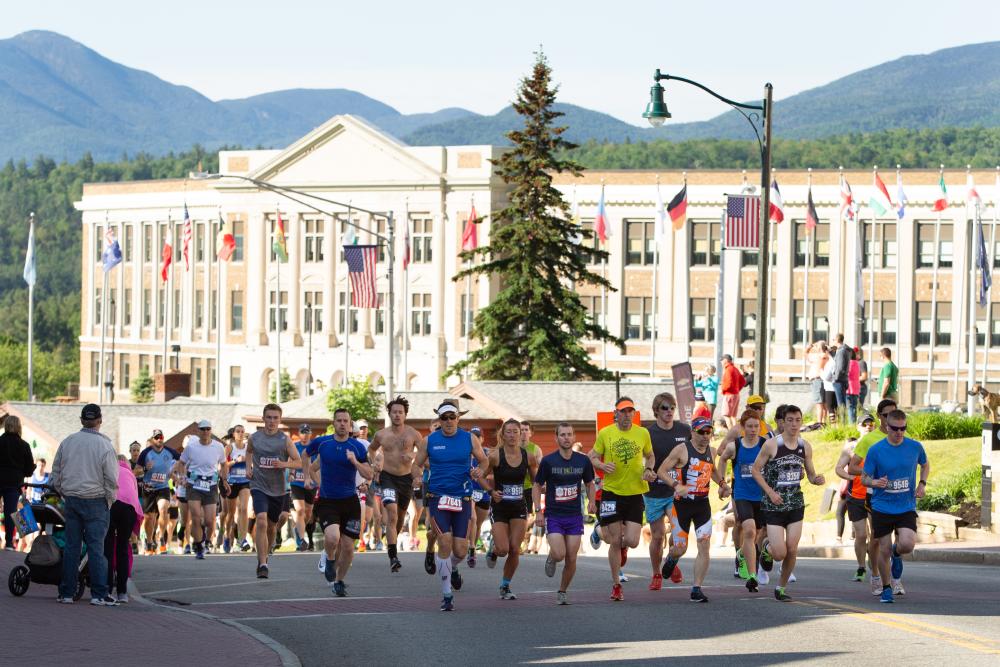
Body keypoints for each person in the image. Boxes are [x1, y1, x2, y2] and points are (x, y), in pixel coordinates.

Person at [413, 400, 488, 611]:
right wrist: (417, 477)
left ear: (458, 418)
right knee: (444, 541)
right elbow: (416, 466)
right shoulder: (429, 441)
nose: (447, 421)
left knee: (461, 550)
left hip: (462, 497)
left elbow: (483, 460)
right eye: (443, 418)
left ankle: (452, 567)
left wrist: (480, 470)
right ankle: (446, 595)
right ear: (439, 419)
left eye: (451, 417)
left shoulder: (469, 438)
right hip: (437, 497)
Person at [751, 405, 825, 601]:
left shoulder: (805, 446)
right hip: (774, 504)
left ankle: (781, 588)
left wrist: (817, 479)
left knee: (792, 548)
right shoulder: (772, 445)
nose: (794, 424)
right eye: (790, 420)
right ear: (783, 422)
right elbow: (756, 470)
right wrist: (770, 492)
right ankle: (766, 548)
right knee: (779, 553)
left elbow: (810, 474)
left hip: (795, 503)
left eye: (798, 420)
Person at [588, 397, 656, 602]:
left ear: (634, 413)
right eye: (623, 411)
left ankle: (599, 530)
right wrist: (601, 466)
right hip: (612, 492)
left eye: (630, 411)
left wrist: (649, 469)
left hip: (635, 493)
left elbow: (650, 456)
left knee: (633, 541)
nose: (627, 415)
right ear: (615, 414)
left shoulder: (642, 433)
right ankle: (616, 584)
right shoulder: (606, 433)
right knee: (616, 541)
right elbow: (591, 456)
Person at [50, 404, 119, 606]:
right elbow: (112, 478)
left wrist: (63, 491)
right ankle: (98, 594)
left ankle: (67, 592)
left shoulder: (68, 442)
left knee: (72, 546)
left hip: (72, 499)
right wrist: (109, 499)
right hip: (96, 499)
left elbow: (56, 471)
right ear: (99, 421)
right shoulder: (105, 446)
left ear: (81, 420)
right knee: (96, 549)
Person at [657, 416, 730, 602]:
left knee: (704, 545)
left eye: (709, 432)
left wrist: (722, 484)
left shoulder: (712, 451)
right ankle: (672, 559)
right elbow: (661, 471)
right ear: (692, 433)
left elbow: (712, 470)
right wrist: (675, 485)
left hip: (702, 505)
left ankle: (696, 588)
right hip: (681, 505)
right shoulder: (682, 450)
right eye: (701, 432)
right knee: (680, 548)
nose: (706, 436)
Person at [862, 409, 929, 603]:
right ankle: (886, 588)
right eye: (895, 429)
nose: (899, 432)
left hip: (905, 505)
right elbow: (865, 478)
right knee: (883, 549)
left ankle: (897, 553)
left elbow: (925, 464)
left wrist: (922, 484)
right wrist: (875, 483)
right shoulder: (876, 450)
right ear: (887, 427)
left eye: (903, 428)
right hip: (882, 506)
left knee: (907, 544)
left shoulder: (915, 447)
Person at [307, 408, 373, 597]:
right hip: (328, 500)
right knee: (333, 538)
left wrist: (355, 463)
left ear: (350, 425)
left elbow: (369, 474)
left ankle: (339, 580)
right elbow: (308, 461)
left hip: (350, 501)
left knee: (348, 547)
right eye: (339, 421)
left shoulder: (358, 447)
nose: (342, 424)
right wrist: (314, 481)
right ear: (334, 423)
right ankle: (329, 558)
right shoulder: (323, 443)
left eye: (346, 421)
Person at [533, 422, 595, 605]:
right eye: (563, 435)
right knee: (560, 553)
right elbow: (537, 486)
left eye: (569, 434)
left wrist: (591, 501)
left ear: (574, 437)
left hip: (574, 515)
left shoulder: (582, 461)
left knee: (571, 556)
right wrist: (538, 511)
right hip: (554, 515)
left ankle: (562, 590)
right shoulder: (549, 461)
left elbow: (590, 483)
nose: (566, 438)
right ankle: (552, 558)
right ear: (556, 438)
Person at [479, 419, 538, 600]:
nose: (512, 435)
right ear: (503, 435)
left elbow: (537, 481)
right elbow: (480, 476)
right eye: (509, 432)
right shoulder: (496, 455)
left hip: (519, 506)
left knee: (514, 549)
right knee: (503, 549)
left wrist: (543, 490)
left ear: (521, 434)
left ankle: (505, 585)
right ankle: (494, 550)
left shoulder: (529, 456)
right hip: (500, 507)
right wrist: (491, 491)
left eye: (516, 431)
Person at [367, 396, 421, 572]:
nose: (397, 415)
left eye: (400, 412)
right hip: (387, 477)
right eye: (394, 412)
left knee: (399, 518)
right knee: (391, 514)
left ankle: (391, 541)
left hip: (405, 479)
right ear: (389, 414)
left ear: (405, 415)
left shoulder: (413, 434)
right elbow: (372, 449)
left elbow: (424, 453)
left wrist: (413, 456)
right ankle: (393, 557)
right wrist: (375, 461)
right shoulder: (381, 434)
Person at [247, 403, 302, 578]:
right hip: (258, 485)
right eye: (269, 417)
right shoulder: (254, 438)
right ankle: (262, 563)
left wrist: (284, 464)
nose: (272, 421)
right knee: (261, 520)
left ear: (279, 420)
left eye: (275, 418)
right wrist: (249, 467)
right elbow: (249, 452)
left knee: (272, 526)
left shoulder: (284, 440)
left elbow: (299, 462)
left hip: (278, 489)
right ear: (263, 419)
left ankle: (266, 551)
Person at [716, 410, 768, 592]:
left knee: (759, 533)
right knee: (749, 530)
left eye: (756, 426)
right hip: (742, 494)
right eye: (749, 426)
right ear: (743, 427)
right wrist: (722, 483)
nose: (753, 430)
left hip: (761, 496)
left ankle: (745, 553)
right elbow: (721, 459)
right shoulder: (735, 446)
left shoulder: (765, 445)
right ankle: (752, 574)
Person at [643, 392, 690, 590]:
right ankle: (656, 573)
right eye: (665, 408)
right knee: (658, 535)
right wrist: (645, 471)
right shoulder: (647, 433)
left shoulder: (685, 430)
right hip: (653, 492)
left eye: (672, 407)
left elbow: (695, 451)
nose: (669, 411)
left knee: (679, 534)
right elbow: (641, 460)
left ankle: (672, 560)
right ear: (656, 411)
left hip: (675, 492)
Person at [849, 400, 896, 595]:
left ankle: (895, 576)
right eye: (886, 415)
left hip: (897, 495)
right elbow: (852, 467)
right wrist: (872, 474)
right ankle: (876, 575)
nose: (890, 419)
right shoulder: (869, 440)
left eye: (893, 414)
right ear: (879, 417)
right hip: (873, 495)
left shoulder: (903, 435)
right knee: (876, 537)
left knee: (900, 538)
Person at [171, 420, 228, 560]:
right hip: (194, 484)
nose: (205, 431)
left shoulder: (218, 446)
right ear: (198, 431)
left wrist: (225, 480)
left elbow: (224, 464)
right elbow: (181, 463)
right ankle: (198, 546)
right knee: (195, 517)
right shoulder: (191, 447)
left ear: (211, 430)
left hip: (211, 485)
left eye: (208, 429)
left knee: (209, 521)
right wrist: (182, 477)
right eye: (202, 429)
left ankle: (207, 542)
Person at [835, 414, 877, 582]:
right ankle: (861, 567)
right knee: (860, 535)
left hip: (875, 495)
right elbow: (838, 468)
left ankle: (874, 563)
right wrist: (849, 477)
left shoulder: (879, 445)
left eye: (871, 423)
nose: (868, 426)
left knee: (876, 534)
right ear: (858, 427)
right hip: (856, 496)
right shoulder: (851, 446)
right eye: (864, 424)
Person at [106, 455, 143, 603]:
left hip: (113, 504)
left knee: (107, 549)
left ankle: (107, 589)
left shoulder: (111, 469)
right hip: (129, 509)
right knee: (122, 549)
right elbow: (134, 495)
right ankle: (122, 593)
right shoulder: (130, 474)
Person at [137, 433, 180, 554]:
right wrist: (145, 468)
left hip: (163, 487)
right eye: (156, 437)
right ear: (152, 440)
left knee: (163, 509)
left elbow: (182, 459)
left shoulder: (168, 451)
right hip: (149, 489)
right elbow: (136, 471)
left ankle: (161, 538)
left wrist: (174, 471)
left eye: (161, 437)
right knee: (149, 517)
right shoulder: (145, 453)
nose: (159, 439)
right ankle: (149, 541)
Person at [0, 415, 36, 550]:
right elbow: (28, 471)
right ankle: (9, 543)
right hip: (14, 484)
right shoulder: (24, 445)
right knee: (11, 512)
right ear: (19, 427)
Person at [222, 425, 252, 552]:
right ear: (233, 434)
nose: (240, 434)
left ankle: (242, 539)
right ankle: (227, 536)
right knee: (231, 513)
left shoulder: (249, 448)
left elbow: (253, 463)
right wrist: (235, 461)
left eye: (242, 432)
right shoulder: (229, 447)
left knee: (244, 509)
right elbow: (222, 464)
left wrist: (248, 462)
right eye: (238, 432)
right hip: (232, 482)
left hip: (245, 481)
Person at [290, 424, 318, 552]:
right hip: (297, 483)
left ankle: (298, 529)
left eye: (307, 432)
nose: (305, 435)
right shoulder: (295, 446)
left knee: (308, 514)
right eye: (302, 432)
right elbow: (291, 460)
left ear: (310, 434)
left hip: (311, 484)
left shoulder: (315, 446)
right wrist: (291, 472)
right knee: (300, 510)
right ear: (299, 433)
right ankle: (301, 540)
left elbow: (319, 464)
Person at [719, 355, 746, 428]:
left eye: (721, 360)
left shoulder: (728, 369)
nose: (721, 362)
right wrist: (737, 389)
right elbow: (743, 381)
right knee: (733, 416)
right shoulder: (735, 369)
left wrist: (722, 390)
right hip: (736, 394)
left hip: (729, 394)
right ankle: (737, 434)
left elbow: (728, 383)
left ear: (725, 360)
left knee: (726, 415)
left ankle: (731, 433)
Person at [805, 342, 829, 424]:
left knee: (819, 403)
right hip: (824, 380)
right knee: (824, 404)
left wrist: (809, 348)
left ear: (819, 348)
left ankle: (819, 423)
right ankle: (824, 422)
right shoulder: (827, 356)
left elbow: (806, 356)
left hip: (817, 380)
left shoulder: (818, 356)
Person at [833, 333, 851, 422]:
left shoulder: (841, 351)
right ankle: (843, 421)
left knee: (841, 403)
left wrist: (835, 378)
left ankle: (843, 422)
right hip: (843, 379)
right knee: (842, 402)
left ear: (837, 340)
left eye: (833, 340)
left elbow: (839, 367)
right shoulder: (846, 350)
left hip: (839, 380)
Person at [821, 347, 838, 426]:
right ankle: (837, 424)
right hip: (836, 387)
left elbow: (827, 377)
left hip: (830, 387)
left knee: (830, 407)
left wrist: (821, 371)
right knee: (835, 407)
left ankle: (833, 425)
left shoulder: (830, 363)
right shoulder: (837, 362)